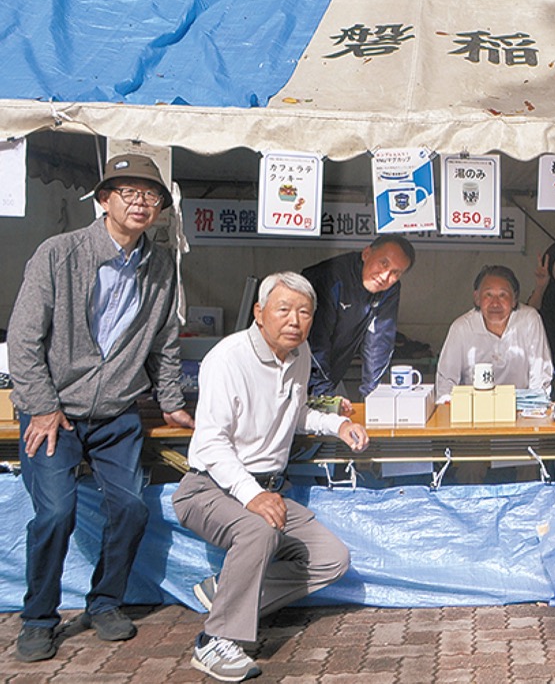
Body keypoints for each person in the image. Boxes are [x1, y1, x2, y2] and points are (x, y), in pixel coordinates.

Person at [8, 153, 194, 663]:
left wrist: (173, 402)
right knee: (55, 513)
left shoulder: (160, 267)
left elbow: (165, 343)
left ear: (159, 209)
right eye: (128, 193)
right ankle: (39, 617)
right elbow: (24, 339)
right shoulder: (59, 253)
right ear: (104, 199)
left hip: (116, 412)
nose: (140, 203)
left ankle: (106, 601)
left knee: (132, 507)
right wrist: (42, 406)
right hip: (55, 411)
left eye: (150, 196)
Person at [173, 272, 369, 682]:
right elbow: (210, 444)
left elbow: (294, 413)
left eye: (304, 312)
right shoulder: (227, 359)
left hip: (267, 488)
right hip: (210, 487)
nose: (294, 320)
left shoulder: (297, 356)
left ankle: (226, 593)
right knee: (260, 531)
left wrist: (336, 425)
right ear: (260, 313)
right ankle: (214, 641)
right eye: (283, 310)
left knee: (332, 558)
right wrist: (251, 495)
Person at [302, 236, 414, 410]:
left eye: (395, 273)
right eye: (384, 264)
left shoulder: (389, 289)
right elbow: (316, 342)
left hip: (332, 371)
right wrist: (325, 395)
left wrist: (373, 398)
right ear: (366, 253)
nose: (385, 276)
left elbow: (379, 342)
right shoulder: (331, 277)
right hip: (295, 375)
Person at [436, 265, 553, 399]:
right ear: (477, 298)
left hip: (520, 408)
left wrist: (532, 410)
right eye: (488, 295)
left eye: (503, 295)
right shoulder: (461, 328)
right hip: (474, 409)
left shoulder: (529, 320)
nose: (495, 303)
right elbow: (446, 382)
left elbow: (540, 376)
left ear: (514, 299)